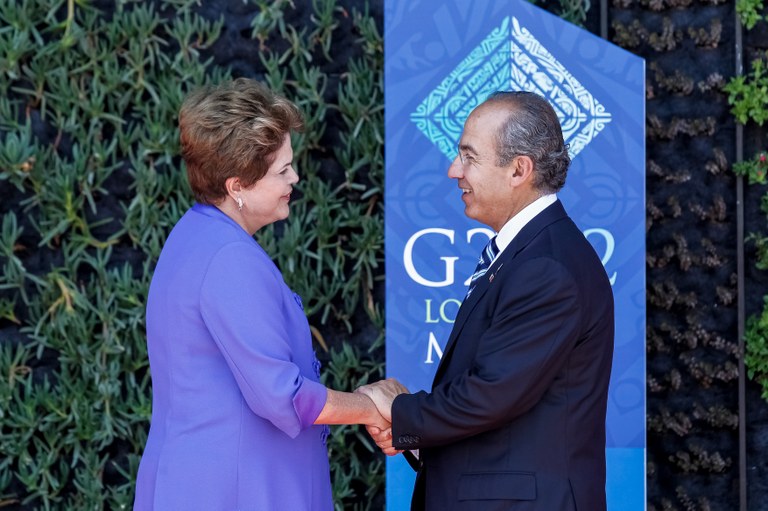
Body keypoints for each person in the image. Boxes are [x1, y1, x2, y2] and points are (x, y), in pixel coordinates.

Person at [133, 78, 388, 510]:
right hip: (236, 491)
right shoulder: (229, 257)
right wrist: (368, 406)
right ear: (237, 186)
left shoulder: (193, 234)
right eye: (282, 170)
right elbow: (283, 396)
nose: (295, 178)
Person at [358, 91, 615, 510]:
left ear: (519, 170)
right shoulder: (532, 252)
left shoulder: (546, 266)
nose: (453, 170)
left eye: (469, 157)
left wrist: (399, 412)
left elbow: (492, 394)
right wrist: (412, 430)